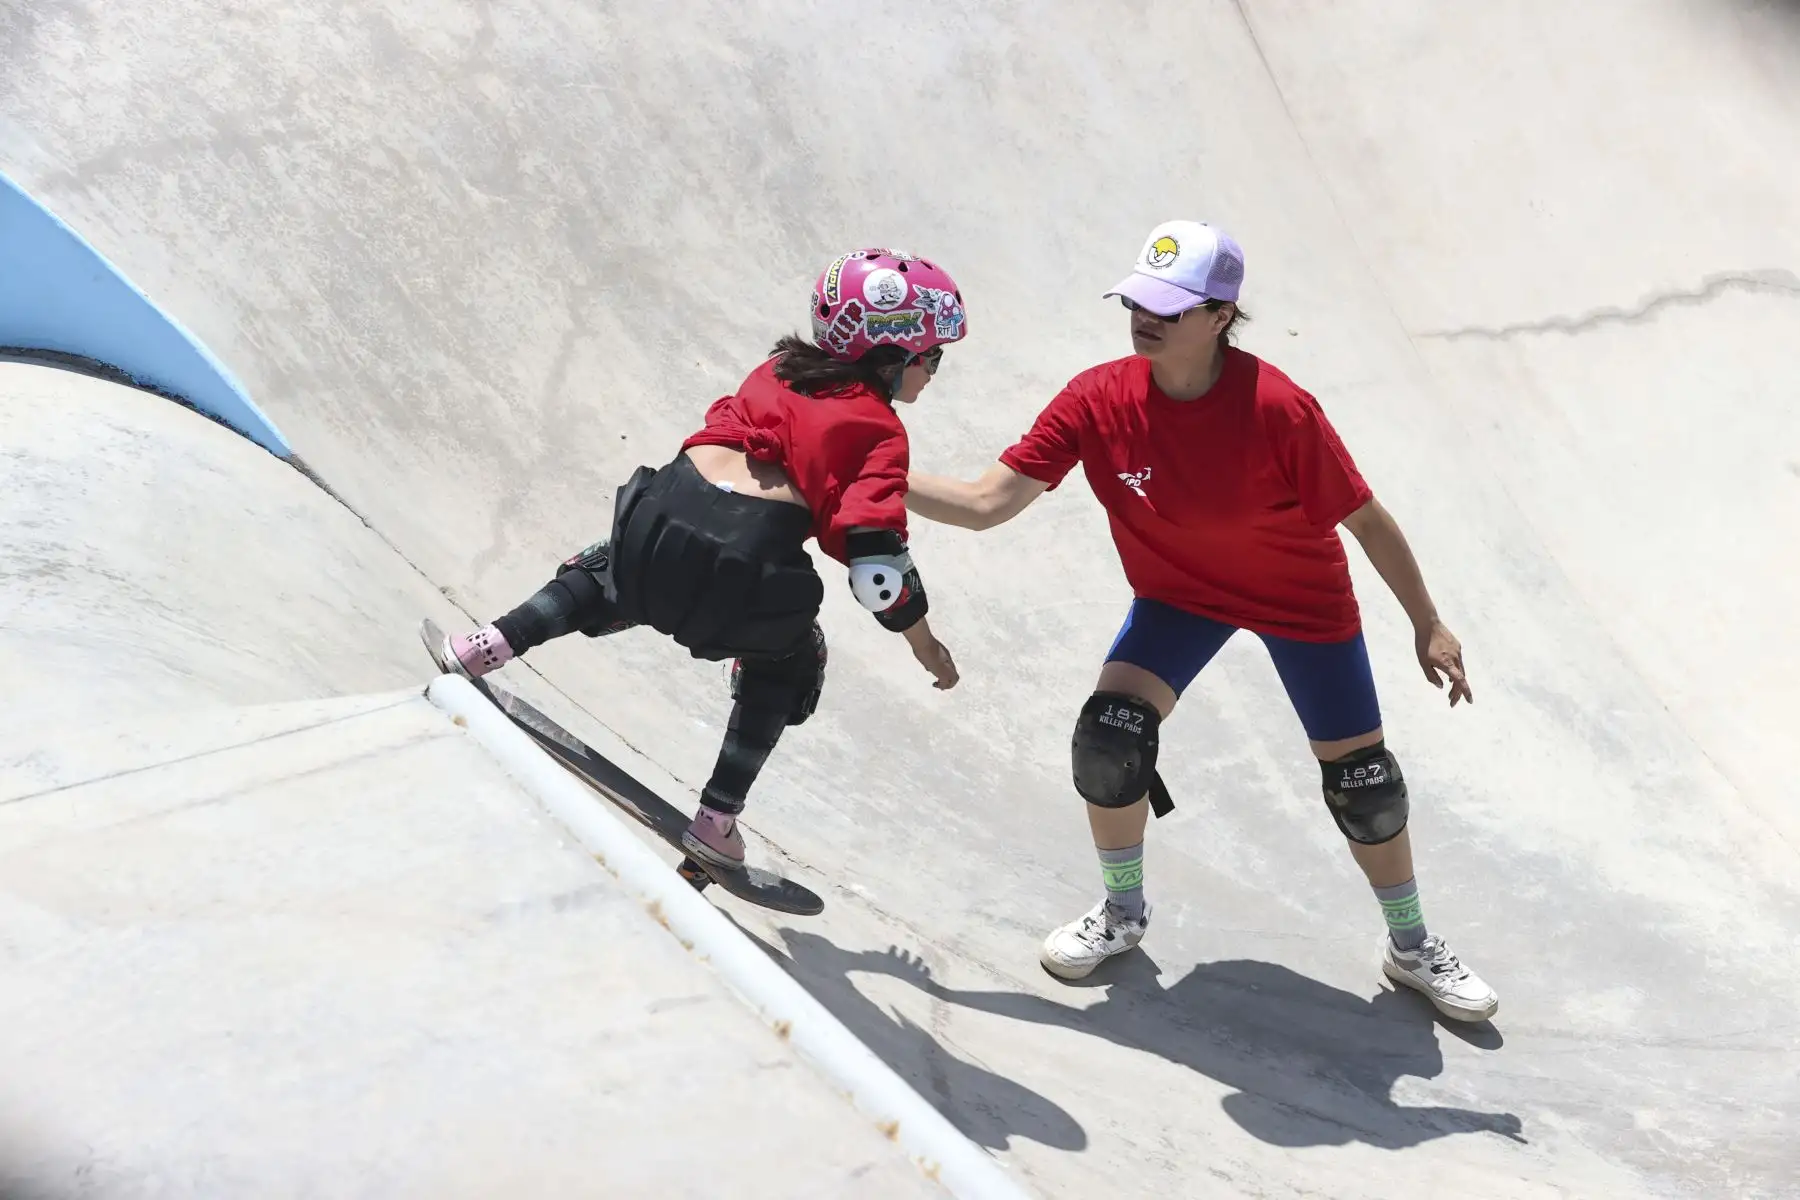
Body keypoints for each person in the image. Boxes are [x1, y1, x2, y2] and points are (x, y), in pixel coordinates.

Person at [905, 220, 1498, 1022]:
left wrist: (1428, 623)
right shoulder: (1095, 399)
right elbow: (985, 505)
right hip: (1179, 597)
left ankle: (1411, 944)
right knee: (1110, 737)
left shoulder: (1280, 409)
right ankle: (1122, 912)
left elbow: (1366, 521)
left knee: (1366, 788)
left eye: (1170, 308)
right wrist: (861, 471)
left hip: (1302, 603)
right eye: (1138, 302)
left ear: (1221, 315)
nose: (1145, 318)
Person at [430, 248, 964, 876]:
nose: (934, 371)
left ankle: (481, 645)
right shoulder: (881, 431)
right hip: (746, 569)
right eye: (934, 357)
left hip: (658, 515)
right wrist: (925, 644)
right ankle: (716, 821)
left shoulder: (775, 371)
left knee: (611, 572)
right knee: (793, 658)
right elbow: (877, 567)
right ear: (896, 353)